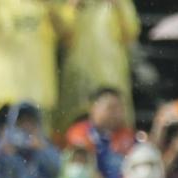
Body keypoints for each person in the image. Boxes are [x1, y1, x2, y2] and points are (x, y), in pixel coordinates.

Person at [0, 0, 75, 128]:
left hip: (38, 95)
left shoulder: (50, 5)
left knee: (37, 145)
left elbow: (67, 31)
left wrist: (48, 6)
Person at [57, 0, 139, 133]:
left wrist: (118, 6)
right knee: (73, 120)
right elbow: (62, 34)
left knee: (117, 117)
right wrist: (72, 7)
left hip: (112, 71)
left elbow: (131, 33)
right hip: (78, 73)